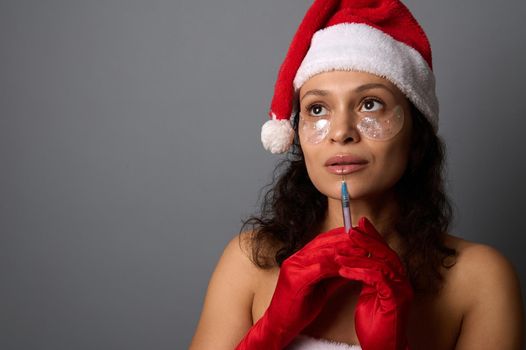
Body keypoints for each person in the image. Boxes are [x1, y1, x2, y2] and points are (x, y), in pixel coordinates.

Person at [189, 0, 524, 349]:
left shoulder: (479, 280)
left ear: (416, 131)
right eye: (317, 109)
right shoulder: (249, 260)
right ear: (298, 136)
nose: (341, 132)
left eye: (370, 104)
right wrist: (270, 331)